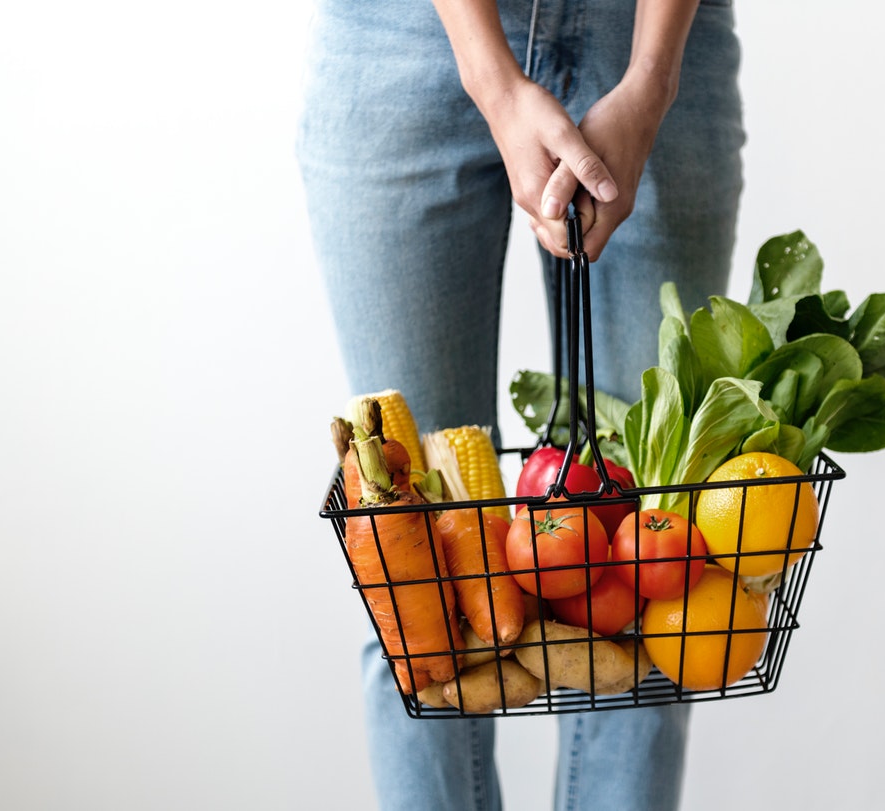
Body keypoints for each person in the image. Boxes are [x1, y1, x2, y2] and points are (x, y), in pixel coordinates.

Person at [297, 0, 745, 808]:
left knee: (656, 575)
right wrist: (489, 75)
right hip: (404, 36)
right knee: (412, 583)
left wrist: (651, 79)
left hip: (649, 34)